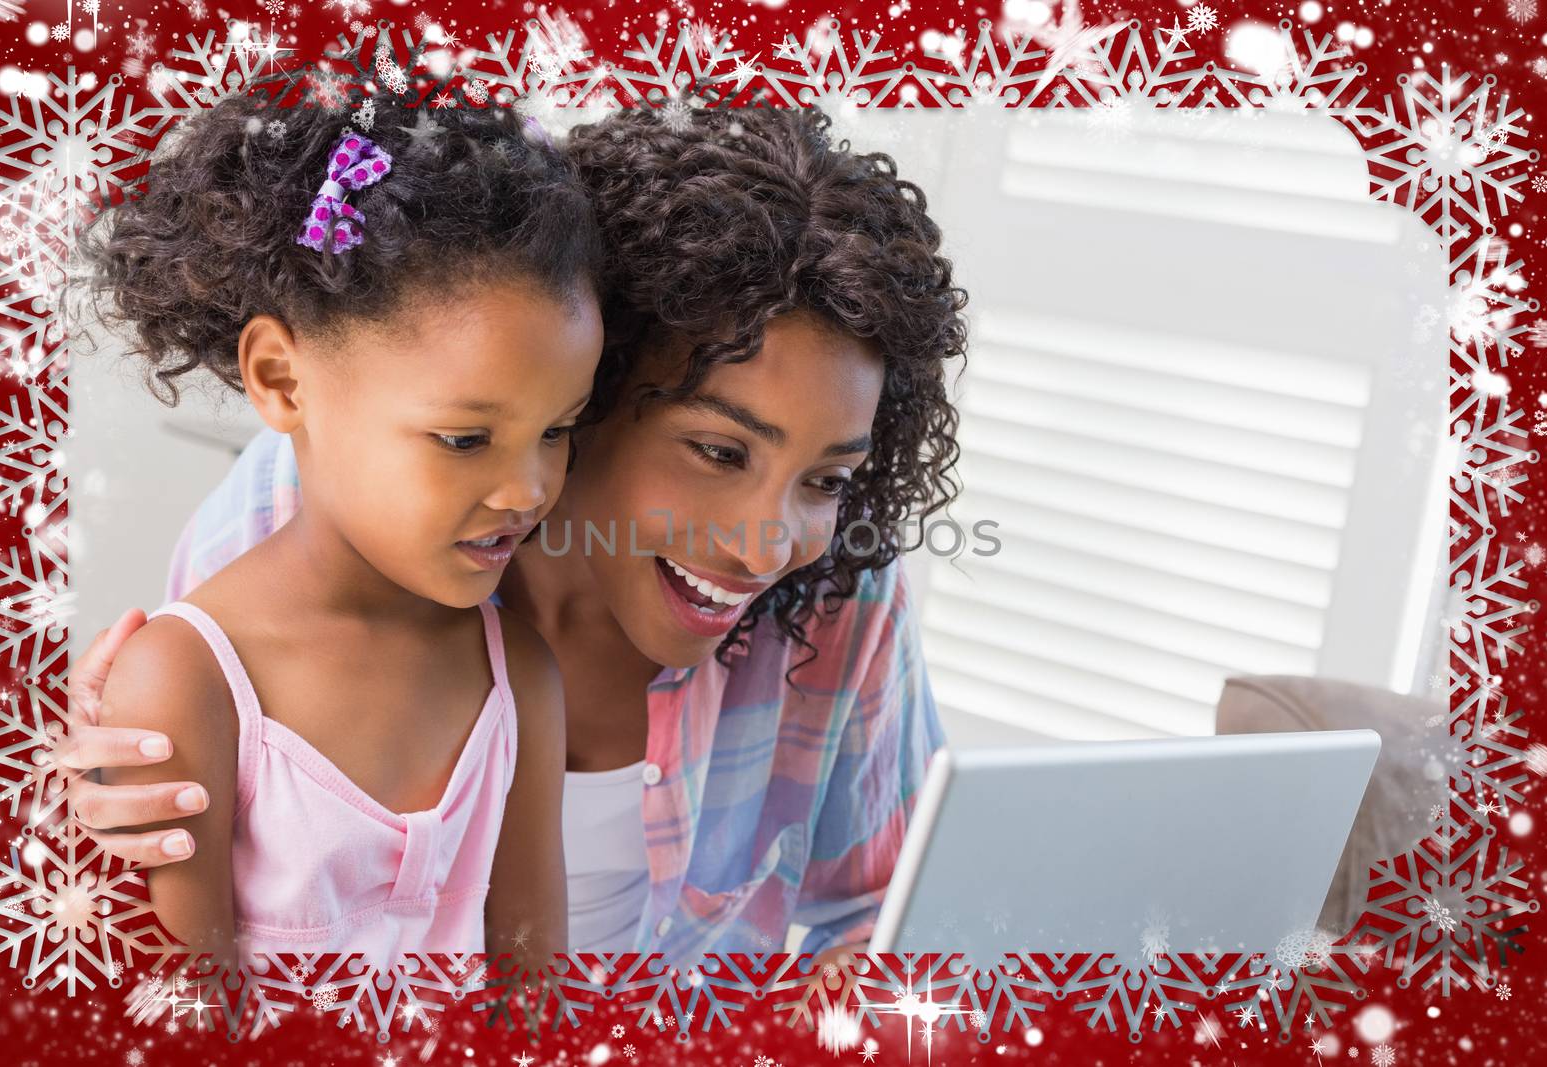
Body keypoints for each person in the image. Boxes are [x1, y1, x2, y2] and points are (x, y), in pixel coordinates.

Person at [59, 104, 968, 967]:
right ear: (600, 383)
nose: (770, 546)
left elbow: (902, 903)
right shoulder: (294, 514)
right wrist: (102, 807)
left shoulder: (838, 602)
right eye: (719, 451)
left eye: (828, 480)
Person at [73, 95, 605, 969]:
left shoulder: (521, 680)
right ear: (282, 379)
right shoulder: (187, 683)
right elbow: (179, 1011)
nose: (530, 487)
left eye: (558, 429)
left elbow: (534, 992)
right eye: (465, 439)